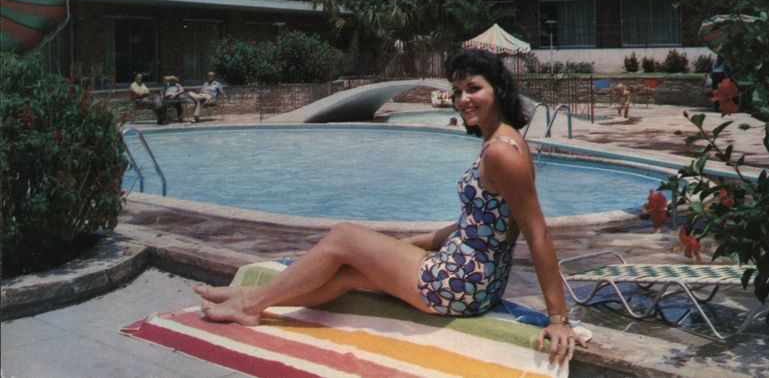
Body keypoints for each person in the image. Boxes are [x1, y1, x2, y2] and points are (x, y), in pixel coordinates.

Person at [193, 49, 587, 364]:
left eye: (473, 88)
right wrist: (403, 243)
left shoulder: (503, 154)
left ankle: (249, 303)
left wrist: (558, 318)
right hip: (473, 280)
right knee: (348, 271)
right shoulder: (505, 142)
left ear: (498, 90)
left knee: (344, 236)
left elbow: (537, 232)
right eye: (457, 91)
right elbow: (476, 226)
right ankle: (255, 304)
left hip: (461, 284)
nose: (462, 99)